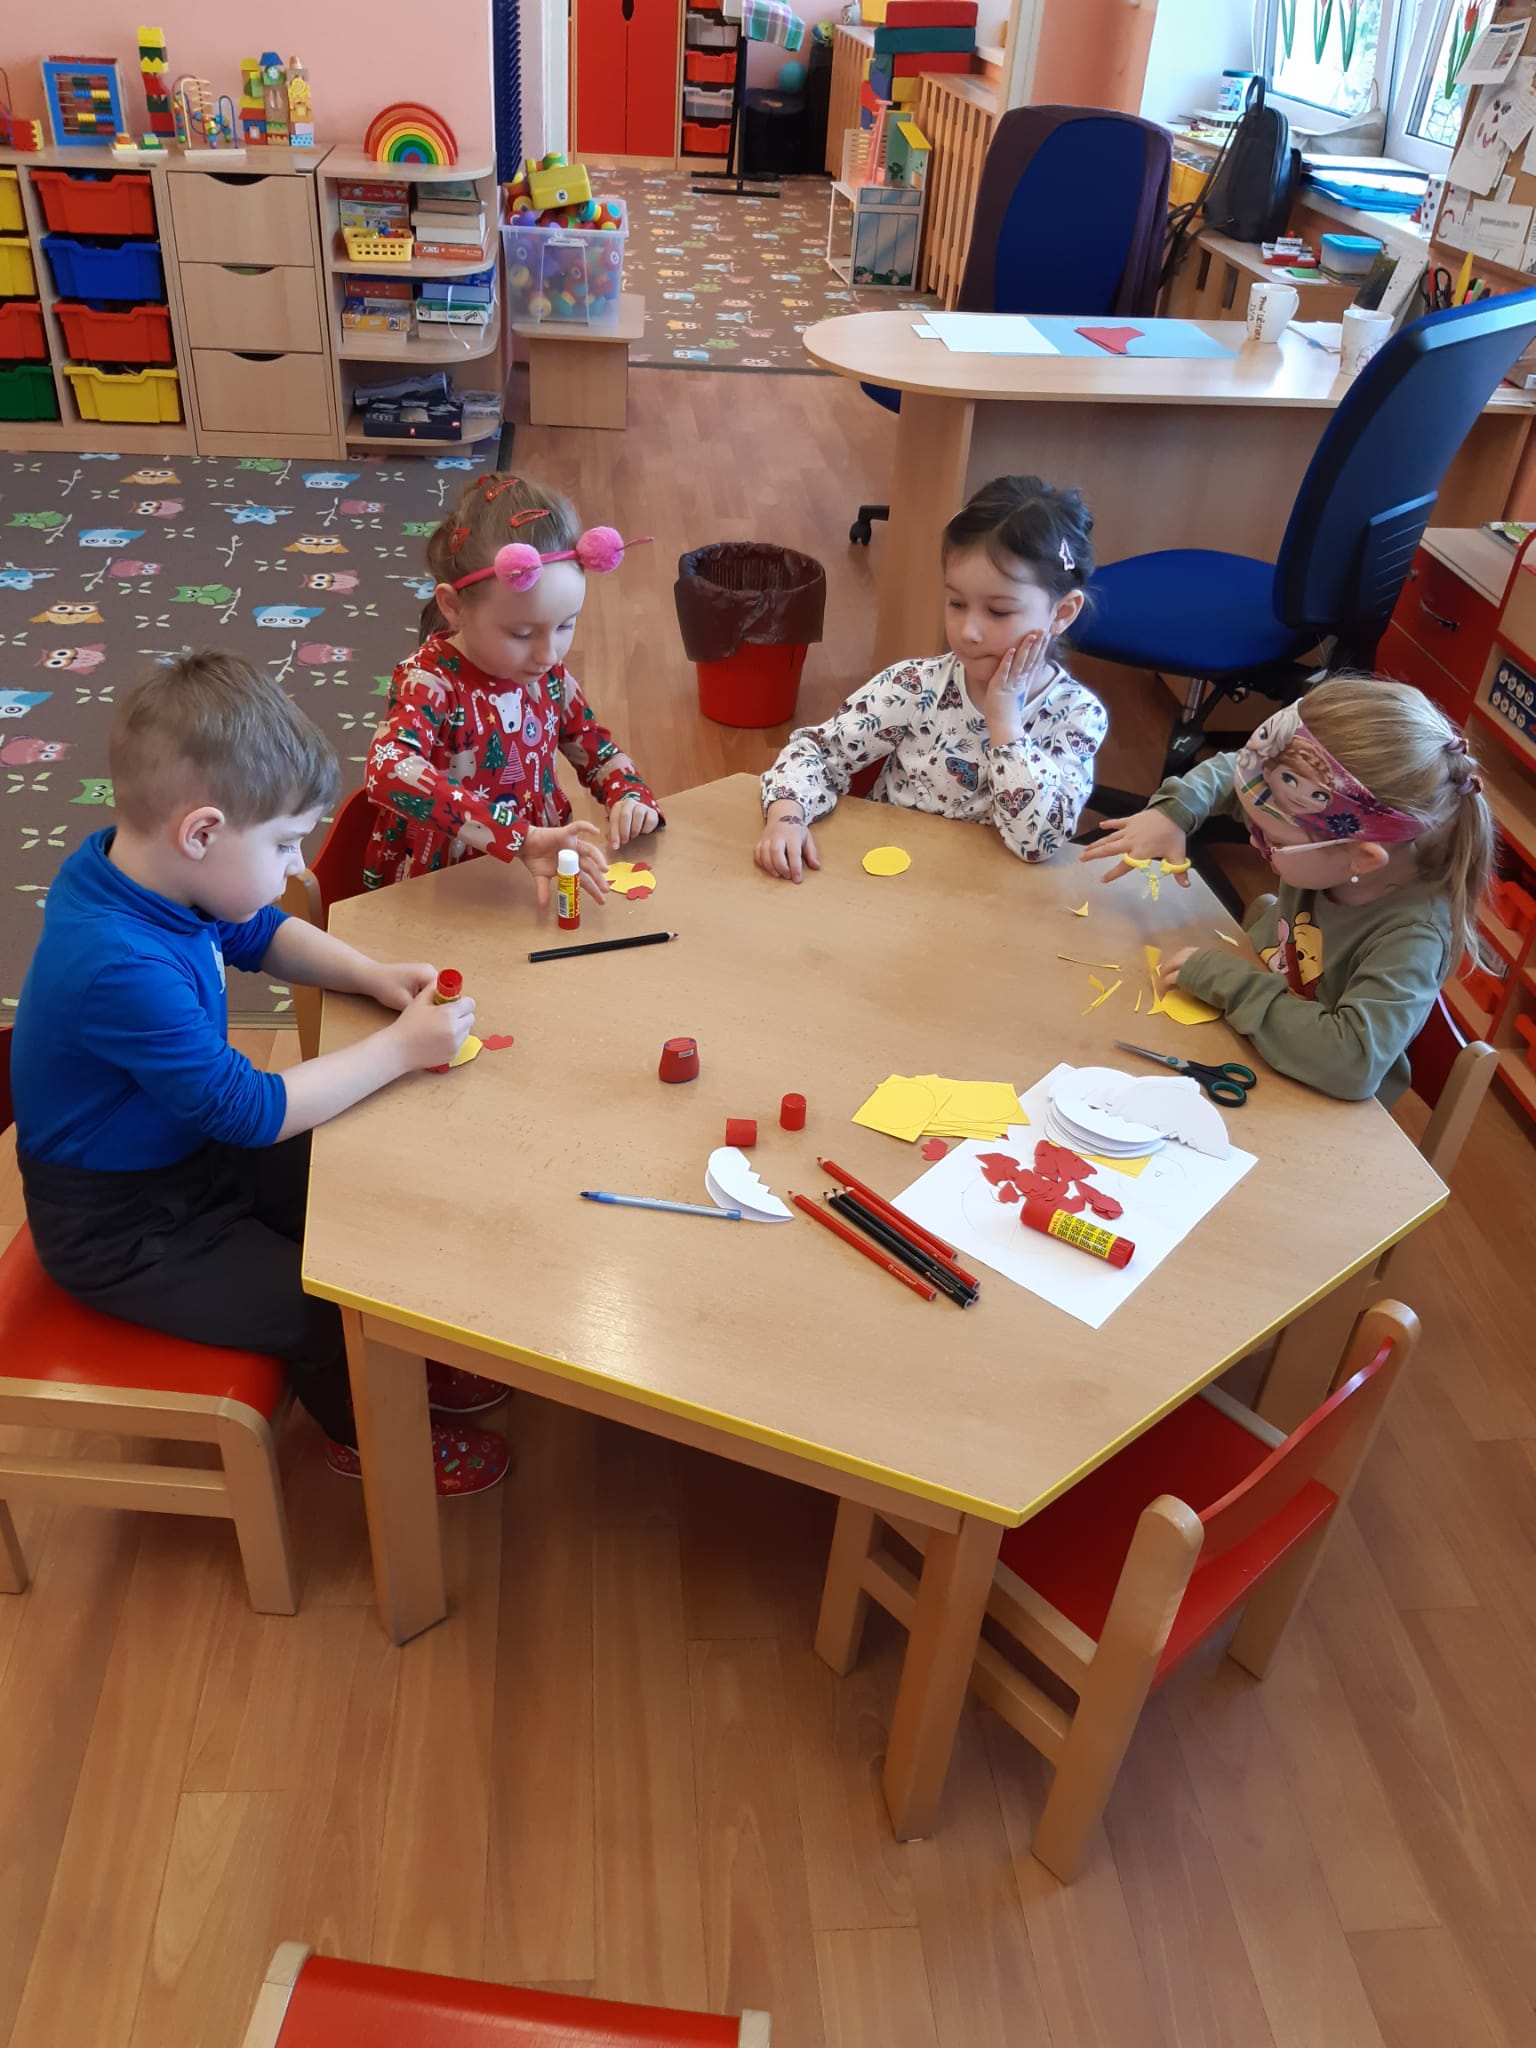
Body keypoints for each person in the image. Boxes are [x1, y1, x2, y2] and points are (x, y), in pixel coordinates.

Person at [10, 653, 509, 1494]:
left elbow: (261, 934)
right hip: (122, 1229)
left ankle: (390, 1363)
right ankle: (372, 1440)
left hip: (188, 1156)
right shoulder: (118, 962)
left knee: (360, 1184)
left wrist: (370, 975)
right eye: (282, 843)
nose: (296, 866)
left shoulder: (150, 874)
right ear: (201, 833)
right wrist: (399, 1048)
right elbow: (251, 1111)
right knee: (321, 1303)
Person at [1081, 676, 1493, 1103]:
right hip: (1248, 1032)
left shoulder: (1414, 938)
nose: (1255, 839)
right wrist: (1176, 810)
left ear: (1364, 858)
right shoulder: (1327, 844)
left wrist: (1233, 985)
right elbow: (1234, 775)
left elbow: (1351, 1063)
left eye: (1272, 841)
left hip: (1313, 1099)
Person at [755, 475, 1107, 880]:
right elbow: (816, 752)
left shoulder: (1076, 715)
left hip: (990, 897)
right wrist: (787, 817)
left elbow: (1038, 843)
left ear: (1062, 613)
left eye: (998, 611)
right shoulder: (914, 686)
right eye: (956, 603)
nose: (969, 631)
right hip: (889, 883)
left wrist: (1006, 726)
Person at [365, 471, 661, 901]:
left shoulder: (549, 676)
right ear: (453, 607)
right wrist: (517, 836)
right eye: (522, 634)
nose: (548, 654)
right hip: (442, 885)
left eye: (566, 625)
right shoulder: (429, 681)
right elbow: (387, 769)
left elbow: (599, 754)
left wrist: (629, 795)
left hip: (536, 868)